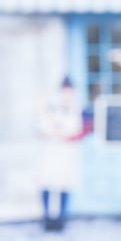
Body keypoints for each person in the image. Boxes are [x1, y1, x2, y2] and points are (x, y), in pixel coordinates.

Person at [36, 76, 88, 231]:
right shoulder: (51, 109)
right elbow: (41, 129)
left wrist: (67, 136)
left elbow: (82, 131)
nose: (67, 95)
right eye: (64, 92)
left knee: (66, 183)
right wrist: (52, 132)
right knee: (47, 181)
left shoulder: (79, 110)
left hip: (68, 153)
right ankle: (47, 216)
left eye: (69, 92)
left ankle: (62, 217)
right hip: (51, 151)